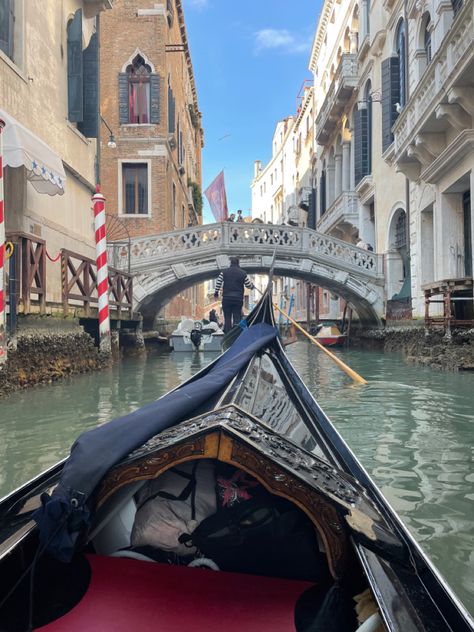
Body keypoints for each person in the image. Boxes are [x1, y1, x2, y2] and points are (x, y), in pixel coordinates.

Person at [214, 257, 254, 333]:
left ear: (230, 263)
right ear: (238, 263)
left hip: (227, 299)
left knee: (227, 318)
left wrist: (216, 293)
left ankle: (227, 334)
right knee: (237, 318)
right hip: (238, 299)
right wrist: (252, 286)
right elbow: (248, 285)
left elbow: (218, 282)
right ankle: (236, 334)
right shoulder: (243, 273)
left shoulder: (224, 272)